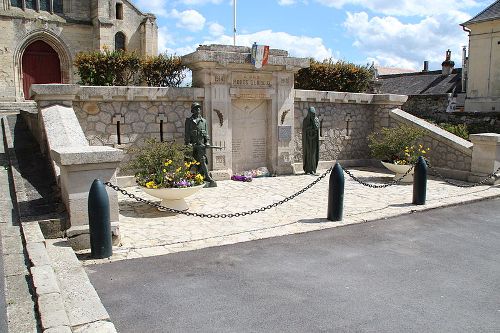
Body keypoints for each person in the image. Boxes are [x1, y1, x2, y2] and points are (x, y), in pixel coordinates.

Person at [185, 102, 217, 187]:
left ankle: (207, 177)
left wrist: (207, 142)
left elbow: (206, 134)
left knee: (203, 161)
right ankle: (184, 177)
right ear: (193, 110)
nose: (198, 109)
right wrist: (188, 144)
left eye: (199, 108)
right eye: (196, 108)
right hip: (192, 145)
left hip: (201, 145)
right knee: (190, 161)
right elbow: (187, 134)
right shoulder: (189, 121)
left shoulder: (204, 121)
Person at [302, 106, 320, 175]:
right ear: (309, 114)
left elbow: (317, 128)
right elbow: (304, 130)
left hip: (314, 141)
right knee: (308, 154)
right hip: (307, 141)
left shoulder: (316, 120)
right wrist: (309, 127)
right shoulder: (305, 120)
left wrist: (313, 122)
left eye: (314, 114)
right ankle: (307, 169)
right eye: (311, 114)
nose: (313, 115)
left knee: (313, 155)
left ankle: (313, 169)